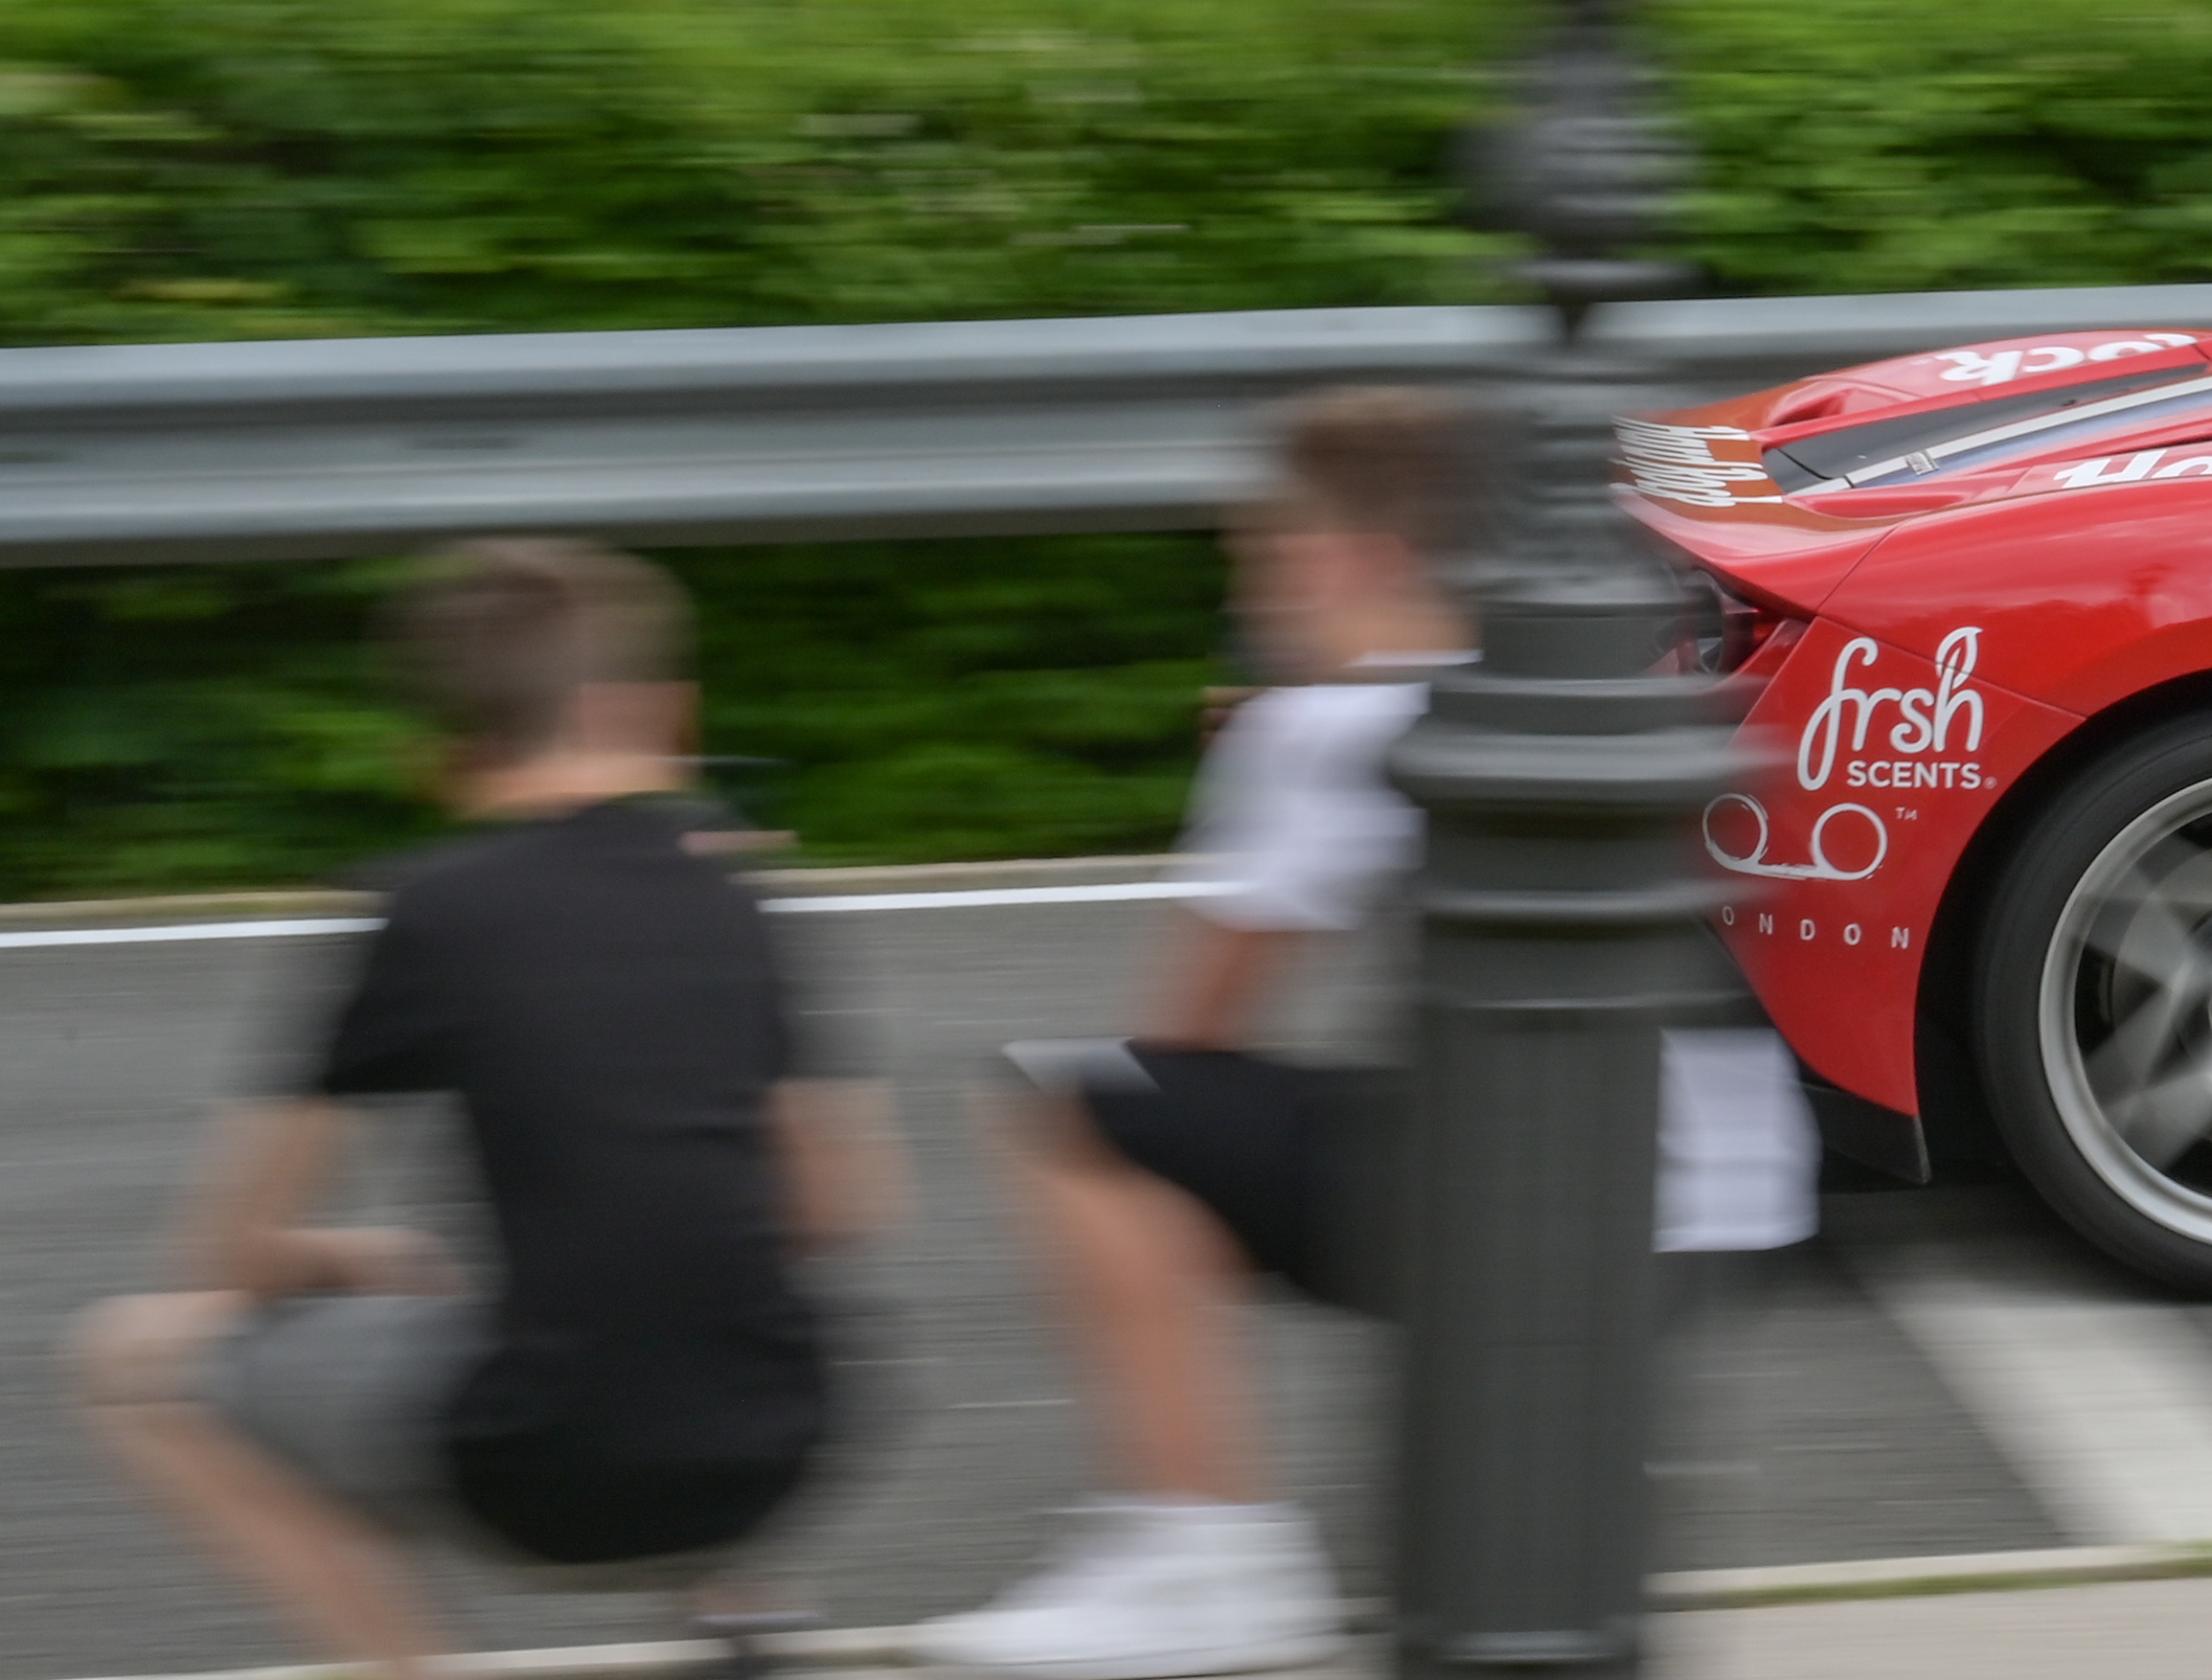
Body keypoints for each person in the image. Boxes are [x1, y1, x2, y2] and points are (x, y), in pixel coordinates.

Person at [920, 386, 1813, 1680]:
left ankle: (1202, 1559)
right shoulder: (1590, 690)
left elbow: (1185, 1036)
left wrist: (1253, 784)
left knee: (1085, 1117)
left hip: (1538, 1206)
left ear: (1348, 557)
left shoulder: (1320, 726)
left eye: (1259, 557)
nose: (1255, 592)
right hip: (1730, 1187)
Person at [70, 540, 895, 1680]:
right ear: (665, 711)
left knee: (132, 1356)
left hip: (546, 1475)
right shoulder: (736, 896)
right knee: (639, 1287)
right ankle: (736, 1603)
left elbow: (226, 1251)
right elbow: (836, 1206)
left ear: (434, 750)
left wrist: (346, 1252)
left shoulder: (428, 909)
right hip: (781, 1441)